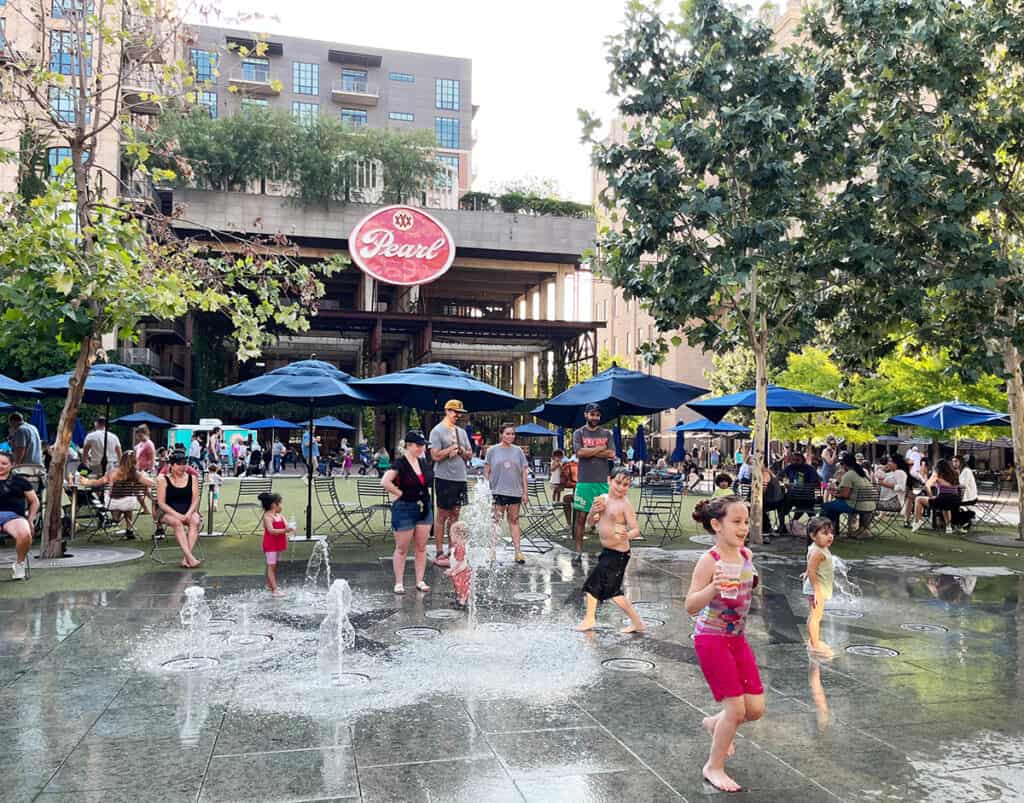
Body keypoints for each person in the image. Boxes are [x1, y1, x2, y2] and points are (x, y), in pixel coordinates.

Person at [686, 496, 764, 793]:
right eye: (736, 521)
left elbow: (748, 584)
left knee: (754, 709)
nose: (744, 527)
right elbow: (690, 606)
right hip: (712, 639)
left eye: (746, 521)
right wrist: (712, 588)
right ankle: (713, 766)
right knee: (736, 710)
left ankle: (714, 724)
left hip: (736, 638)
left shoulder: (746, 555)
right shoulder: (710, 560)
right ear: (716, 525)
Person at [575, 468, 645, 633]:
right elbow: (591, 523)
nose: (621, 488)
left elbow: (636, 530)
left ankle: (591, 619)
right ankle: (592, 618)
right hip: (608, 552)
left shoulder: (624, 505)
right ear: (609, 480)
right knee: (599, 588)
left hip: (619, 554)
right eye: (618, 483)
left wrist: (626, 535)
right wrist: (593, 511)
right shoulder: (603, 500)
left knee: (601, 588)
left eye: (625, 485)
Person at [381, 431, 433, 594]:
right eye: (418, 445)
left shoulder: (423, 462)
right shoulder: (400, 463)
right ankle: (399, 582)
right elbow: (385, 481)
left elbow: (428, 482)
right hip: (404, 507)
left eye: (422, 445)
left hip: (423, 507)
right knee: (402, 548)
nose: (421, 448)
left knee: (421, 546)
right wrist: (400, 494)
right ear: (409, 445)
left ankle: (420, 580)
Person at [429, 399, 472, 568]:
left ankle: (452, 549)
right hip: (444, 478)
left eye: (460, 412)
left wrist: (460, 450)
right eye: (455, 412)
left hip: (460, 477)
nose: (458, 415)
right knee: (442, 515)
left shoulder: (462, 432)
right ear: (447, 411)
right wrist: (449, 450)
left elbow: (469, 454)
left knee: (456, 514)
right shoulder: (437, 431)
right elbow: (435, 456)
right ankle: (439, 551)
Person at [571, 403, 615, 564]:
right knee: (581, 518)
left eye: (597, 415)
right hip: (584, 482)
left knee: (605, 518)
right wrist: (599, 449)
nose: (595, 417)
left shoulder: (607, 433)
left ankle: (606, 551)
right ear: (586, 415)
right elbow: (580, 453)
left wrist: (590, 449)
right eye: (592, 414)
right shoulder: (578, 433)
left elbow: (611, 454)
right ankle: (578, 551)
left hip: (602, 482)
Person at [78, 450, 154, 540]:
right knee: (127, 502)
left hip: (112, 504)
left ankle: (116, 518)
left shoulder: (112, 472)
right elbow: (151, 483)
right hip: (129, 504)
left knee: (119, 503)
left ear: (121, 460)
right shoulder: (135, 474)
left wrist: (85, 481)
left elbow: (97, 483)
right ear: (134, 461)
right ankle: (129, 529)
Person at [485, 423, 529, 564]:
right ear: (501, 434)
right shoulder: (492, 450)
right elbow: (487, 471)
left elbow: (523, 472)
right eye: (507, 433)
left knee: (514, 520)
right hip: (497, 490)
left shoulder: (518, 451)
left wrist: (525, 492)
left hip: (515, 490)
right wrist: (488, 489)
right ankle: (492, 552)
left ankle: (518, 552)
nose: (510, 436)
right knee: (496, 521)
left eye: (512, 434)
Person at [156, 452, 202, 568]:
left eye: (184, 464)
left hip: (187, 509)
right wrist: (178, 515)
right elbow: (161, 503)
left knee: (195, 521)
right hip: (167, 511)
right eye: (179, 464)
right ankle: (190, 557)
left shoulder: (193, 478)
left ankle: (186, 558)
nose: (183, 467)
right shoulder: (163, 479)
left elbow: (195, 499)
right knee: (177, 523)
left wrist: (188, 513)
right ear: (171, 465)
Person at [0, 450, 40, 580]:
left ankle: (19, 564)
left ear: (12, 465)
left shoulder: (20, 481)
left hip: (13, 517)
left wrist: (31, 519)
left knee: (25, 533)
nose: (0, 466)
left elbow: (34, 502)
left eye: (4, 463)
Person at [801, 517, 835, 658]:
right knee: (816, 616)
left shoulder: (818, 549)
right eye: (825, 533)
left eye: (831, 533)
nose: (830, 536)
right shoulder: (818, 552)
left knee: (814, 615)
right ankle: (815, 645)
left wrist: (806, 572)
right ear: (813, 536)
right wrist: (817, 591)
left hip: (817, 587)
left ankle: (814, 640)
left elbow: (811, 567)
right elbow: (812, 569)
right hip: (817, 588)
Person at [821, 453, 873, 536]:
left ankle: (828, 531)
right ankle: (834, 530)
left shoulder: (849, 474)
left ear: (844, 465)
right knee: (834, 507)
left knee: (826, 506)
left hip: (856, 505)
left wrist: (834, 494)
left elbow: (845, 495)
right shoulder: (862, 474)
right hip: (870, 505)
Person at [911, 458, 960, 533]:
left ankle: (917, 522)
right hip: (955, 501)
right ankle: (948, 527)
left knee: (918, 499)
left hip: (944, 500)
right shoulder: (955, 473)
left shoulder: (937, 474)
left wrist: (931, 497)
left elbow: (927, 486)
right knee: (946, 507)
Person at [260, 492, 294, 597]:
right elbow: (271, 531)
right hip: (270, 544)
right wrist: (286, 530)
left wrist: (291, 528)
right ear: (274, 505)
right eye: (280, 504)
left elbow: (287, 525)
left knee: (274, 565)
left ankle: (270, 585)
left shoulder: (279, 516)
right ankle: (275, 590)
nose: (281, 506)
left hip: (278, 544)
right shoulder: (267, 517)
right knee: (271, 566)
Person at [445, 520, 471, 606]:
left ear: (458, 536)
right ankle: (459, 599)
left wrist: (454, 571)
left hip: (462, 573)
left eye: (451, 535)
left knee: (462, 587)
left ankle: (462, 602)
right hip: (459, 572)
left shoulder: (461, 548)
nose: (450, 537)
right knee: (458, 587)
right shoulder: (458, 546)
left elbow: (463, 563)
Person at [951, 455, 978, 532]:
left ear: (961, 462)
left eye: (956, 461)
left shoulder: (966, 471)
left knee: (952, 503)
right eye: (953, 461)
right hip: (962, 495)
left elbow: (963, 485)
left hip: (969, 496)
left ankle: (963, 521)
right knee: (950, 502)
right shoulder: (960, 471)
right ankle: (957, 522)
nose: (954, 463)